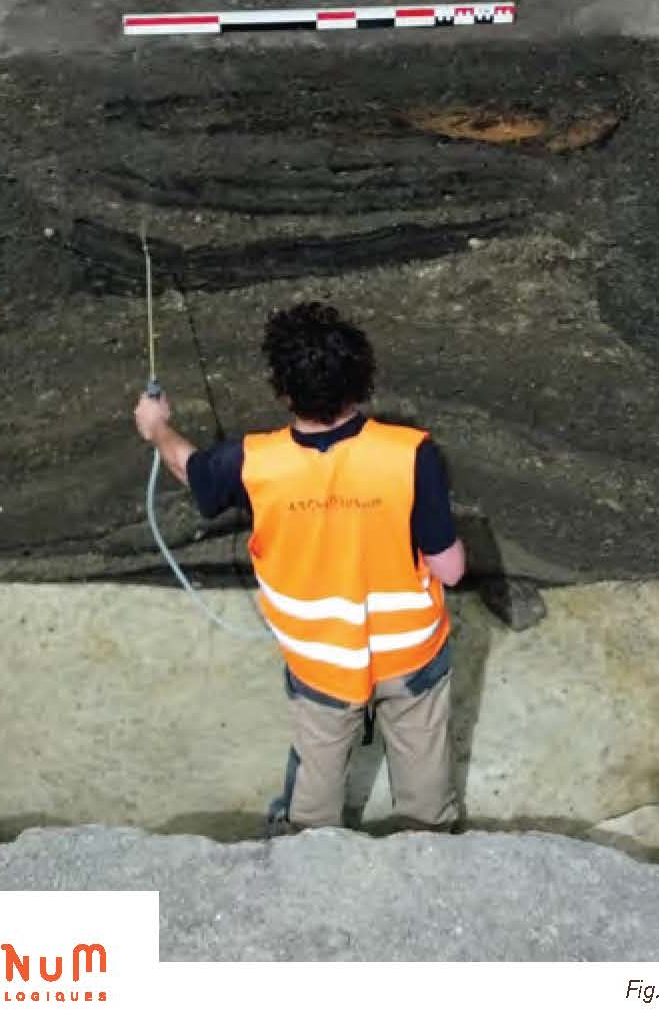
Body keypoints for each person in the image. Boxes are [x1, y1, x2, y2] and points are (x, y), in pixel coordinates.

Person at [133, 298, 466, 833]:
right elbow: (449, 571)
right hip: (411, 654)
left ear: (284, 391)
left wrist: (157, 428)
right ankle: (430, 836)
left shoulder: (252, 462)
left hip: (321, 660)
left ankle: (310, 842)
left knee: (318, 764)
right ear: (361, 381)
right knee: (424, 757)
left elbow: (188, 467)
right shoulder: (412, 454)